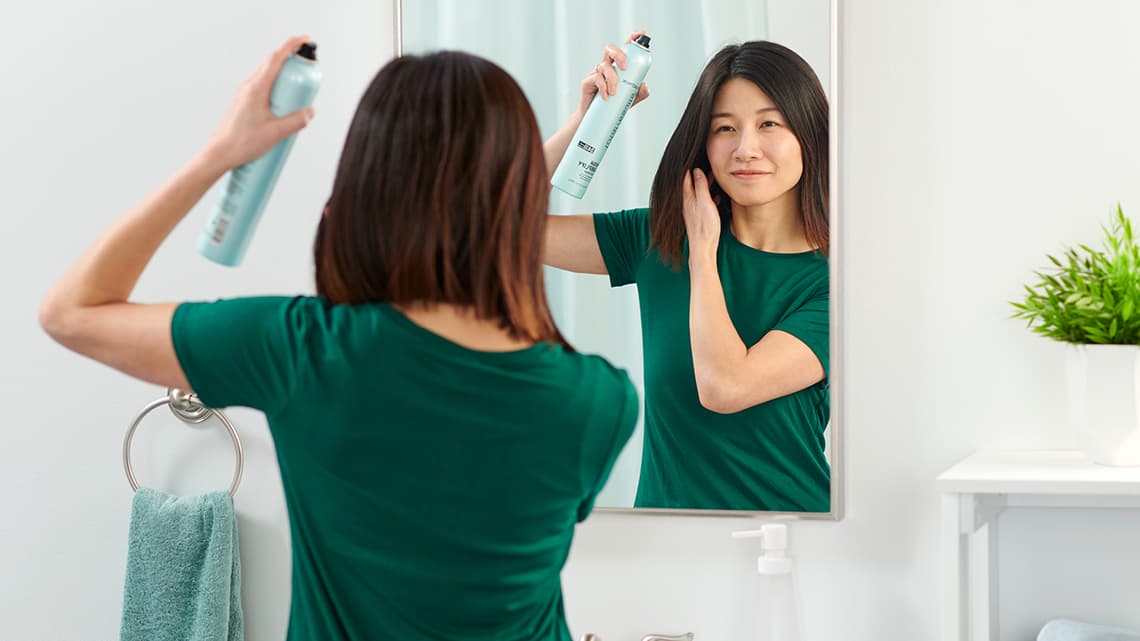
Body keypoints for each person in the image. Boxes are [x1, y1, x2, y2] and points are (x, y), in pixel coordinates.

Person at [39, 36, 638, 641]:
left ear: (364, 191)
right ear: (515, 199)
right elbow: (483, 221)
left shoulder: (305, 353)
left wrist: (222, 155)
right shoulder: (598, 400)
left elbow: (71, 311)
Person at [543, 33, 829, 512]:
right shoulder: (657, 239)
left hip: (798, 544)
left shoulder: (832, 286)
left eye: (770, 124)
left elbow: (724, 386)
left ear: (809, 134)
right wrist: (590, 119)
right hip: (665, 549)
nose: (746, 149)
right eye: (724, 128)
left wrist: (702, 255)